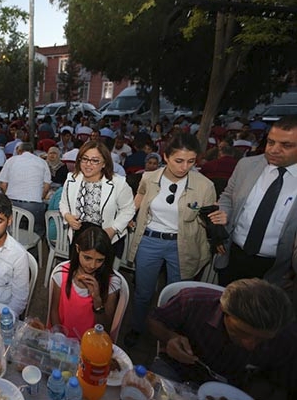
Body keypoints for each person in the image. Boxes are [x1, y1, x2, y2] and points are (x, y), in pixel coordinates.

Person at [124, 133, 217, 347]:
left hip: (182, 244)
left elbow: (208, 218)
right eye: (179, 160)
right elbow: (139, 196)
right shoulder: (149, 177)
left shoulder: (205, 186)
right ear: (166, 157)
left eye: (191, 161)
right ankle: (137, 328)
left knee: (177, 294)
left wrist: (215, 222)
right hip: (150, 240)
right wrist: (129, 214)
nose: (185, 167)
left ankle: (170, 337)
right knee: (143, 292)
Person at [148, 279, 297, 399]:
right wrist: (170, 337)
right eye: (241, 332)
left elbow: (279, 383)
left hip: (235, 389)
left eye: (262, 340)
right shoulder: (194, 301)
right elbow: (155, 320)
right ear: (224, 311)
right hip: (177, 370)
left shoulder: (286, 338)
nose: (250, 345)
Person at [211, 116, 297, 288]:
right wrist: (222, 222)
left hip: (276, 269)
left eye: (286, 145)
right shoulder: (246, 165)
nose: (274, 149)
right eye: (271, 142)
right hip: (233, 256)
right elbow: (228, 197)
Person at [59, 141, 135, 250]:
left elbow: (128, 209)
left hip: (105, 235)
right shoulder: (72, 178)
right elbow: (63, 203)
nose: (88, 164)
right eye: (84, 159)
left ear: (104, 163)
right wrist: (68, 217)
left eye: (95, 160)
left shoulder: (118, 183)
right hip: (78, 234)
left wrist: (113, 229)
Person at [48, 226, 121, 339]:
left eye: (99, 260)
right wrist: (61, 340)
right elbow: (54, 312)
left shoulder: (112, 283)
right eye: (87, 258)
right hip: (61, 340)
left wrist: (97, 300)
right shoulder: (61, 273)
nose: (92, 265)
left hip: (91, 344)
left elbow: (105, 328)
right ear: (78, 249)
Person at [0, 142, 51, 237]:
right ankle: (34, 245)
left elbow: (3, 184)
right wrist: (40, 197)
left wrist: (9, 196)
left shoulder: (11, 160)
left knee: (14, 227)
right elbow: (46, 187)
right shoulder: (42, 162)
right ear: (32, 152)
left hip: (13, 205)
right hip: (34, 206)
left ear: (19, 151)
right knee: (37, 230)